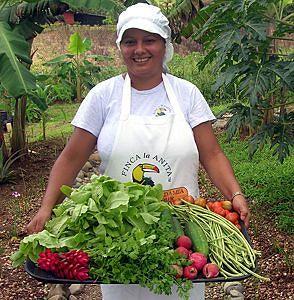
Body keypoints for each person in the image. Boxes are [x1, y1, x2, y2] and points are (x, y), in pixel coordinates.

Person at [27, 3, 249, 300]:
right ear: (120, 46)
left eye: (150, 40)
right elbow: (70, 158)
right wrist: (46, 207)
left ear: (164, 45)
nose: (139, 49)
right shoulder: (103, 96)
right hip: (120, 236)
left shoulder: (186, 94)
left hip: (183, 234)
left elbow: (212, 155)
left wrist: (235, 194)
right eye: (130, 41)